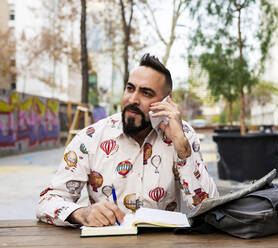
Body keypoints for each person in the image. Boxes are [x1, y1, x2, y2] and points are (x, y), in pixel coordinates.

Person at [37, 54, 219, 227]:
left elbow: (210, 208)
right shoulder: (90, 138)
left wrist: (182, 146)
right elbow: (48, 201)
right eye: (130, 88)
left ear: (165, 102)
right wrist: (81, 213)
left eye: (146, 93)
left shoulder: (183, 134)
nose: (133, 99)